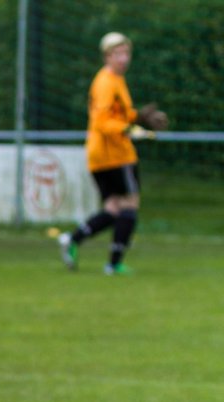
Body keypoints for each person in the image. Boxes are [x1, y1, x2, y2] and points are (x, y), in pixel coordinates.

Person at [58, 31, 164, 275]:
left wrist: (140, 116)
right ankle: (114, 264)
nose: (124, 58)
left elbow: (118, 114)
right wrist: (129, 128)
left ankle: (73, 240)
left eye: (126, 53)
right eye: (118, 54)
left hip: (99, 155)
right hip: (115, 154)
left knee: (114, 208)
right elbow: (102, 121)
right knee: (130, 204)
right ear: (107, 56)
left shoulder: (115, 80)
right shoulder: (106, 82)